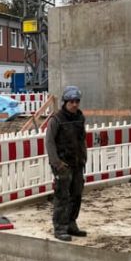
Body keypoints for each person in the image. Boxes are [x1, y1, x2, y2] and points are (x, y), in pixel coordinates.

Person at [44, 85, 88, 242]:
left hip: (77, 164)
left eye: (77, 101)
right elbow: (49, 142)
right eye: (71, 101)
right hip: (63, 164)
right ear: (65, 102)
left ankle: (71, 223)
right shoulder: (57, 120)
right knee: (62, 196)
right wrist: (57, 163)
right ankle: (60, 227)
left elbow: (82, 140)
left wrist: (84, 157)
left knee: (76, 195)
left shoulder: (79, 117)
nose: (75, 104)